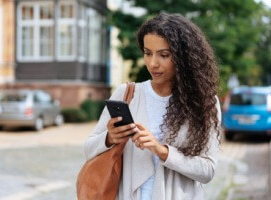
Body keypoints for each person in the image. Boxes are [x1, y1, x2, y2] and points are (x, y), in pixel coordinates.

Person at [84, 12, 221, 200]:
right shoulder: (127, 94)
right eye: (148, 53)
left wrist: (161, 151)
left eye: (164, 55)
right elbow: (89, 148)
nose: (152, 63)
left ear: (184, 58)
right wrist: (110, 138)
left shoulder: (205, 102)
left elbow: (207, 171)